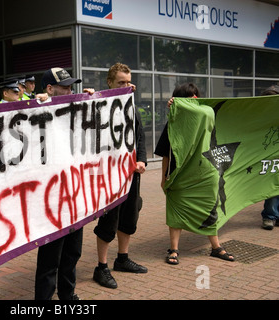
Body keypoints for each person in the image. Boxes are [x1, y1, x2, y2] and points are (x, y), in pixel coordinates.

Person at [154, 83, 234, 265]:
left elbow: (205, 111)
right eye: (189, 97)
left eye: (196, 95)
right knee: (175, 210)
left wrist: (181, 104)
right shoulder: (173, 124)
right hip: (179, 174)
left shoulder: (207, 115)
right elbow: (165, 153)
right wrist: (163, 177)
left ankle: (216, 247)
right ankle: (174, 249)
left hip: (205, 173)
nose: (194, 99)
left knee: (210, 208)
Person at [34, 67, 94, 300]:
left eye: (72, 86)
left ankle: (67, 295)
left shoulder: (75, 110)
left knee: (72, 253)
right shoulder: (37, 110)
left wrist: (95, 102)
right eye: (65, 87)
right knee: (50, 258)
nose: (71, 91)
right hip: (51, 200)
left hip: (75, 195)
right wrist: (37, 102)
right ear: (49, 89)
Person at [92, 63, 147, 289]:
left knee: (129, 216)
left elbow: (141, 136)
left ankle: (122, 259)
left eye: (128, 82)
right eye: (120, 82)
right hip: (110, 176)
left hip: (131, 173)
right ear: (109, 82)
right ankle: (101, 267)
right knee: (109, 220)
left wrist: (141, 160)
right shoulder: (99, 104)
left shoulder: (131, 105)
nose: (125, 86)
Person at [259, 84, 279, 230]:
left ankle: (274, 216)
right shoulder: (262, 115)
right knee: (272, 186)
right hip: (269, 156)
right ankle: (270, 216)